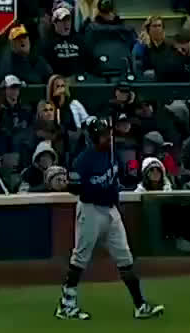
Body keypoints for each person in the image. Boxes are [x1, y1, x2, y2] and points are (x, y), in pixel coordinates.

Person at [55, 117, 165, 321]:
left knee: (125, 258)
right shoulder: (83, 160)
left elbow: (121, 177)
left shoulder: (113, 153)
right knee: (80, 258)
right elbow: (76, 189)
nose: (108, 137)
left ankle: (140, 305)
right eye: (104, 135)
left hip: (111, 211)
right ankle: (66, 305)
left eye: (109, 133)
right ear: (94, 137)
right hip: (90, 210)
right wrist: (65, 184)